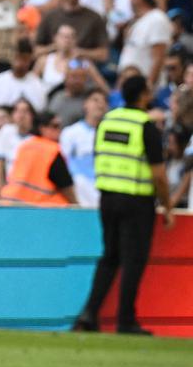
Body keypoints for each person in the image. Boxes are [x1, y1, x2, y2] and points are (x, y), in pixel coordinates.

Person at [75, 75, 175, 335]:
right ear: (143, 95)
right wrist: (166, 206)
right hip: (137, 199)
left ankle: (89, 313)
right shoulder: (146, 126)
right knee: (133, 260)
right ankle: (125, 320)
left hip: (107, 197)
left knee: (109, 256)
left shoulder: (107, 121)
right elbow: (158, 174)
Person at [0, 112, 77, 205]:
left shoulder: (25, 146)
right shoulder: (51, 150)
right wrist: (76, 205)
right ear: (42, 128)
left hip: (12, 201)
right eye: (55, 126)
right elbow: (65, 184)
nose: (59, 130)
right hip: (39, 206)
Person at [61, 89, 109, 207]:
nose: (100, 104)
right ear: (85, 104)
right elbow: (64, 163)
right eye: (95, 100)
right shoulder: (70, 132)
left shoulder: (111, 134)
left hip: (104, 191)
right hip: (79, 194)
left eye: (103, 102)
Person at [120, 0, 172, 86]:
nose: (129, 0)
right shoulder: (138, 21)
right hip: (130, 87)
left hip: (145, 89)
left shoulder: (157, 19)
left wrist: (148, 87)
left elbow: (159, 58)